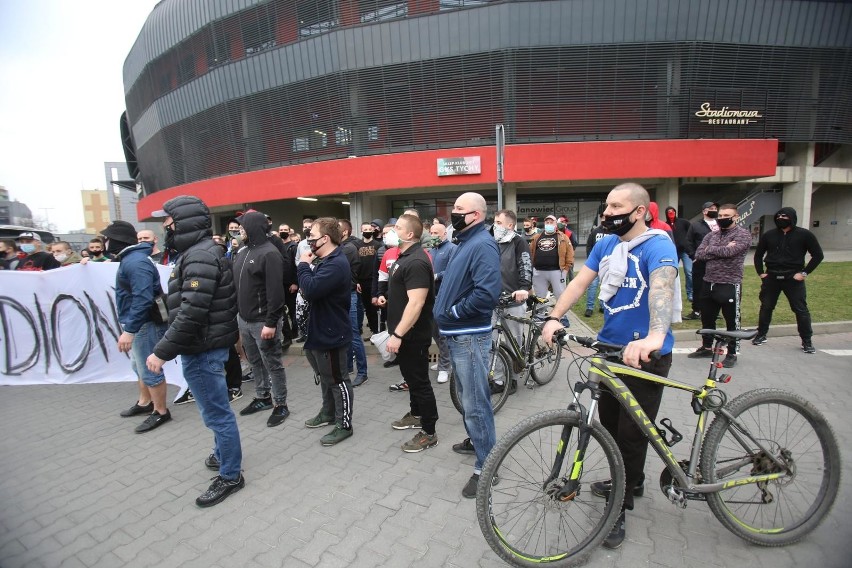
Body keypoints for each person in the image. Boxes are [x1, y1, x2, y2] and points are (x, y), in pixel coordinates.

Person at [541, 182, 679, 549]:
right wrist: (555, 317)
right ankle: (631, 479)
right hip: (610, 351)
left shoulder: (659, 244)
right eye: (606, 206)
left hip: (645, 357)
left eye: (616, 206)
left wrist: (654, 336)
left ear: (639, 211)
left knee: (633, 436)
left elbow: (662, 288)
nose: (607, 213)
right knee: (612, 428)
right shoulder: (606, 243)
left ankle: (620, 503)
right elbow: (579, 282)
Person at [146, 195, 244, 508]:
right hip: (202, 346)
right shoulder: (197, 253)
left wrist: (161, 351)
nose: (165, 227)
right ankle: (222, 455)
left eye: (169, 222)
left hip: (202, 349)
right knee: (215, 412)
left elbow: (192, 311)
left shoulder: (200, 255)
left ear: (184, 223)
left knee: (217, 414)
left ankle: (231, 475)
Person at [434, 192, 501, 499]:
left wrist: (454, 311)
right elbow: (466, 280)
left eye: (459, 209)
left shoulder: (482, 244)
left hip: (470, 335)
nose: (453, 213)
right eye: (454, 208)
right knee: (467, 398)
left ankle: (487, 467)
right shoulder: (465, 242)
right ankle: (476, 442)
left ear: (476, 215)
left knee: (475, 403)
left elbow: (486, 294)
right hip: (459, 334)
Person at [380, 214, 439, 452]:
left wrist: (398, 334)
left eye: (397, 228)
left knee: (420, 382)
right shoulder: (402, 258)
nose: (391, 231)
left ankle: (429, 431)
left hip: (412, 336)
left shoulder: (415, 261)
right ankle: (416, 414)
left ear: (409, 234)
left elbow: (416, 303)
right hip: (404, 334)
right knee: (412, 380)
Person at [106, 220, 171, 433]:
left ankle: (160, 412)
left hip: (145, 325)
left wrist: (130, 330)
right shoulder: (131, 259)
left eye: (108, 238)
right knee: (139, 367)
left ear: (116, 240)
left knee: (149, 368)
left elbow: (143, 299)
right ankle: (145, 403)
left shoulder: (135, 262)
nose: (105, 242)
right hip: (140, 324)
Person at [298, 217, 355, 446]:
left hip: (332, 333)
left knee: (337, 379)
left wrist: (302, 265)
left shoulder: (336, 263)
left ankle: (344, 424)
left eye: (312, 235)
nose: (308, 239)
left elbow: (310, 289)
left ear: (325, 238)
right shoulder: (325, 260)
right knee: (324, 377)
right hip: (318, 330)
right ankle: (328, 413)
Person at [233, 211, 291, 427]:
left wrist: (270, 322)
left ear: (253, 227)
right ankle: (263, 397)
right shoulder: (242, 251)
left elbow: (276, 293)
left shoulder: (270, 253)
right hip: (244, 320)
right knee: (255, 361)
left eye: (242, 227)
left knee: (272, 363)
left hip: (263, 322)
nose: (239, 231)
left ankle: (281, 404)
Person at [753, 207, 824, 353]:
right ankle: (761, 335)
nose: (781, 218)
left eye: (785, 216)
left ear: (792, 218)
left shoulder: (804, 235)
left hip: (793, 277)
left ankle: (807, 340)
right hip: (771, 276)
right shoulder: (769, 235)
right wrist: (761, 273)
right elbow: (758, 255)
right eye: (778, 216)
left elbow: (818, 255)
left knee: (800, 309)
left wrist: (804, 273)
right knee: (766, 307)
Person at [688, 204, 751, 367]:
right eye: (720, 215)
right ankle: (707, 347)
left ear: (736, 217)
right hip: (708, 282)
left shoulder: (743, 234)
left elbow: (732, 252)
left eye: (726, 215)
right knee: (707, 318)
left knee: (732, 322)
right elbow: (699, 254)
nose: (722, 218)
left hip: (730, 283)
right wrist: (720, 249)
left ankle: (732, 353)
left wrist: (711, 250)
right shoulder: (711, 235)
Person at [491, 209, 532, 393]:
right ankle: (499, 380)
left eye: (499, 223)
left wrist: (524, 287)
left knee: (512, 342)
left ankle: (513, 378)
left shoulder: (518, 242)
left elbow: (525, 265)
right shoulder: (490, 241)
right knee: (494, 343)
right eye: (495, 222)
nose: (495, 226)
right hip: (493, 300)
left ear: (510, 225)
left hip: (513, 300)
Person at [339, 219, 369, 387]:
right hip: (343, 295)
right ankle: (349, 367)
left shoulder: (348, 249)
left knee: (353, 334)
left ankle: (362, 372)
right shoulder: (342, 248)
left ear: (344, 232)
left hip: (349, 295)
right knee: (346, 333)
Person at [427, 222, 455, 384]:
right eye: (431, 232)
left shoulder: (452, 249)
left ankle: (445, 367)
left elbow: (453, 270)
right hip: (431, 296)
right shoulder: (431, 250)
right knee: (434, 332)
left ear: (445, 234)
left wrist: (437, 276)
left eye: (436, 233)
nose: (433, 235)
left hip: (444, 297)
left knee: (443, 333)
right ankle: (445, 360)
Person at [684, 202, 719, 320]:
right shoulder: (695, 225)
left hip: (717, 262)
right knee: (698, 286)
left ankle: (713, 310)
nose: (714, 210)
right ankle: (697, 310)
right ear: (704, 211)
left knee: (715, 287)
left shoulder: (720, 224)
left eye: (715, 208)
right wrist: (693, 257)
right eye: (711, 208)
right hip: (700, 262)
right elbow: (688, 242)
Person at [529, 214, 574, 300]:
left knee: (561, 297)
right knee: (539, 297)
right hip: (539, 272)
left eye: (551, 222)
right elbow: (530, 252)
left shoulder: (563, 237)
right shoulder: (536, 237)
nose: (549, 224)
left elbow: (570, 254)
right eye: (547, 222)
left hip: (557, 271)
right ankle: (540, 313)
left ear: (556, 225)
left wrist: (565, 270)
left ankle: (561, 313)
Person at [664, 206, 695, 302]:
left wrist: (689, 245)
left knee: (689, 272)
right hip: (673, 252)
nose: (671, 213)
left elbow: (692, 232)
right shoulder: (665, 225)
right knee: (672, 273)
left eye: (672, 211)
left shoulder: (683, 222)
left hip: (685, 251)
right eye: (669, 212)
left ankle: (691, 293)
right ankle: (671, 293)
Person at [356, 221, 379, 335]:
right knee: (367, 308)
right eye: (365, 230)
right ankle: (373, 330)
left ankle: (377, 331)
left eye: (369, 230)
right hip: (362, 281)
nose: (367, 232)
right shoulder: (357, 245)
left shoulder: (378, 245)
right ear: (361, 231)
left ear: (373, 230)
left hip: (374, 280)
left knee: (374, 307)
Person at [583, 209, 607, 317]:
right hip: (596, 264)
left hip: (608, 265)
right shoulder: (595, 231)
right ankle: (589, 307)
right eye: (602, 217)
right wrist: (590, 258)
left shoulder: (613, 232)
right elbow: (589, 245)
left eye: (606, 217)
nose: (604, 219)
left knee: (605, 286)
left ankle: (603, 306)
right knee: (592, 286)